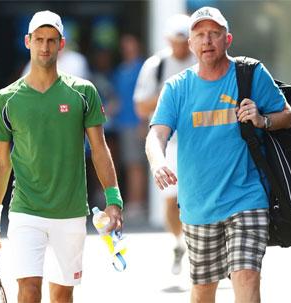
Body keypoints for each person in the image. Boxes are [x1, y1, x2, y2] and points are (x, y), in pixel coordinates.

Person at [145, 6, 291, 303]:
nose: (207, 41)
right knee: (203, 291)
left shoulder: (250, 74)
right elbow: (156, 134)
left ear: (228, 39)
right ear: (190, 43)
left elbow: (286, 116)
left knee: (247, 275)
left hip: (248, 197)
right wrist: (158, 162)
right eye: (200, 35)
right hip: (199, 205)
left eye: (214, 34)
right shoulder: (177, 87)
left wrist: (263, 119)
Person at [0, 11, 123, 303]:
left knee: (61, 296)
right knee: (29, 291)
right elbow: (0, 162)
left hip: (70, 214)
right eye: (39, 40)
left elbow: (99, 149)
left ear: (62, 44)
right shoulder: (6, 98)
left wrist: (114, 200)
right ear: (27, 42)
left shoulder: (83, 92)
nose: (45, 47)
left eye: (51, 40)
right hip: (25, 212)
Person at [134, 14, 196, 275]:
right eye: (177, 40)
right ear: (168, 39)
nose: (182, 46)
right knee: (171, 201)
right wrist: (170, 94)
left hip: (198, 143)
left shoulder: (202, 61)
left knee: (198, 196)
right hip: (167, 144)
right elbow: (140, 106)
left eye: (185, 40)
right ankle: (179, 243)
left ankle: (201, 247)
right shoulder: (156, 65)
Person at [111, 34, 147, 220]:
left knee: (136, 165)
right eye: (125, 46)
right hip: (122, 124)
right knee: (128, 164)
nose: (128, 49)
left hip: (136, 123)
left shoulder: (143, 68)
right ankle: (133, 202)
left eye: (131, 45)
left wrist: (144, 122)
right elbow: (118, 99)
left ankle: (136, 203)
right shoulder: (120, 70)